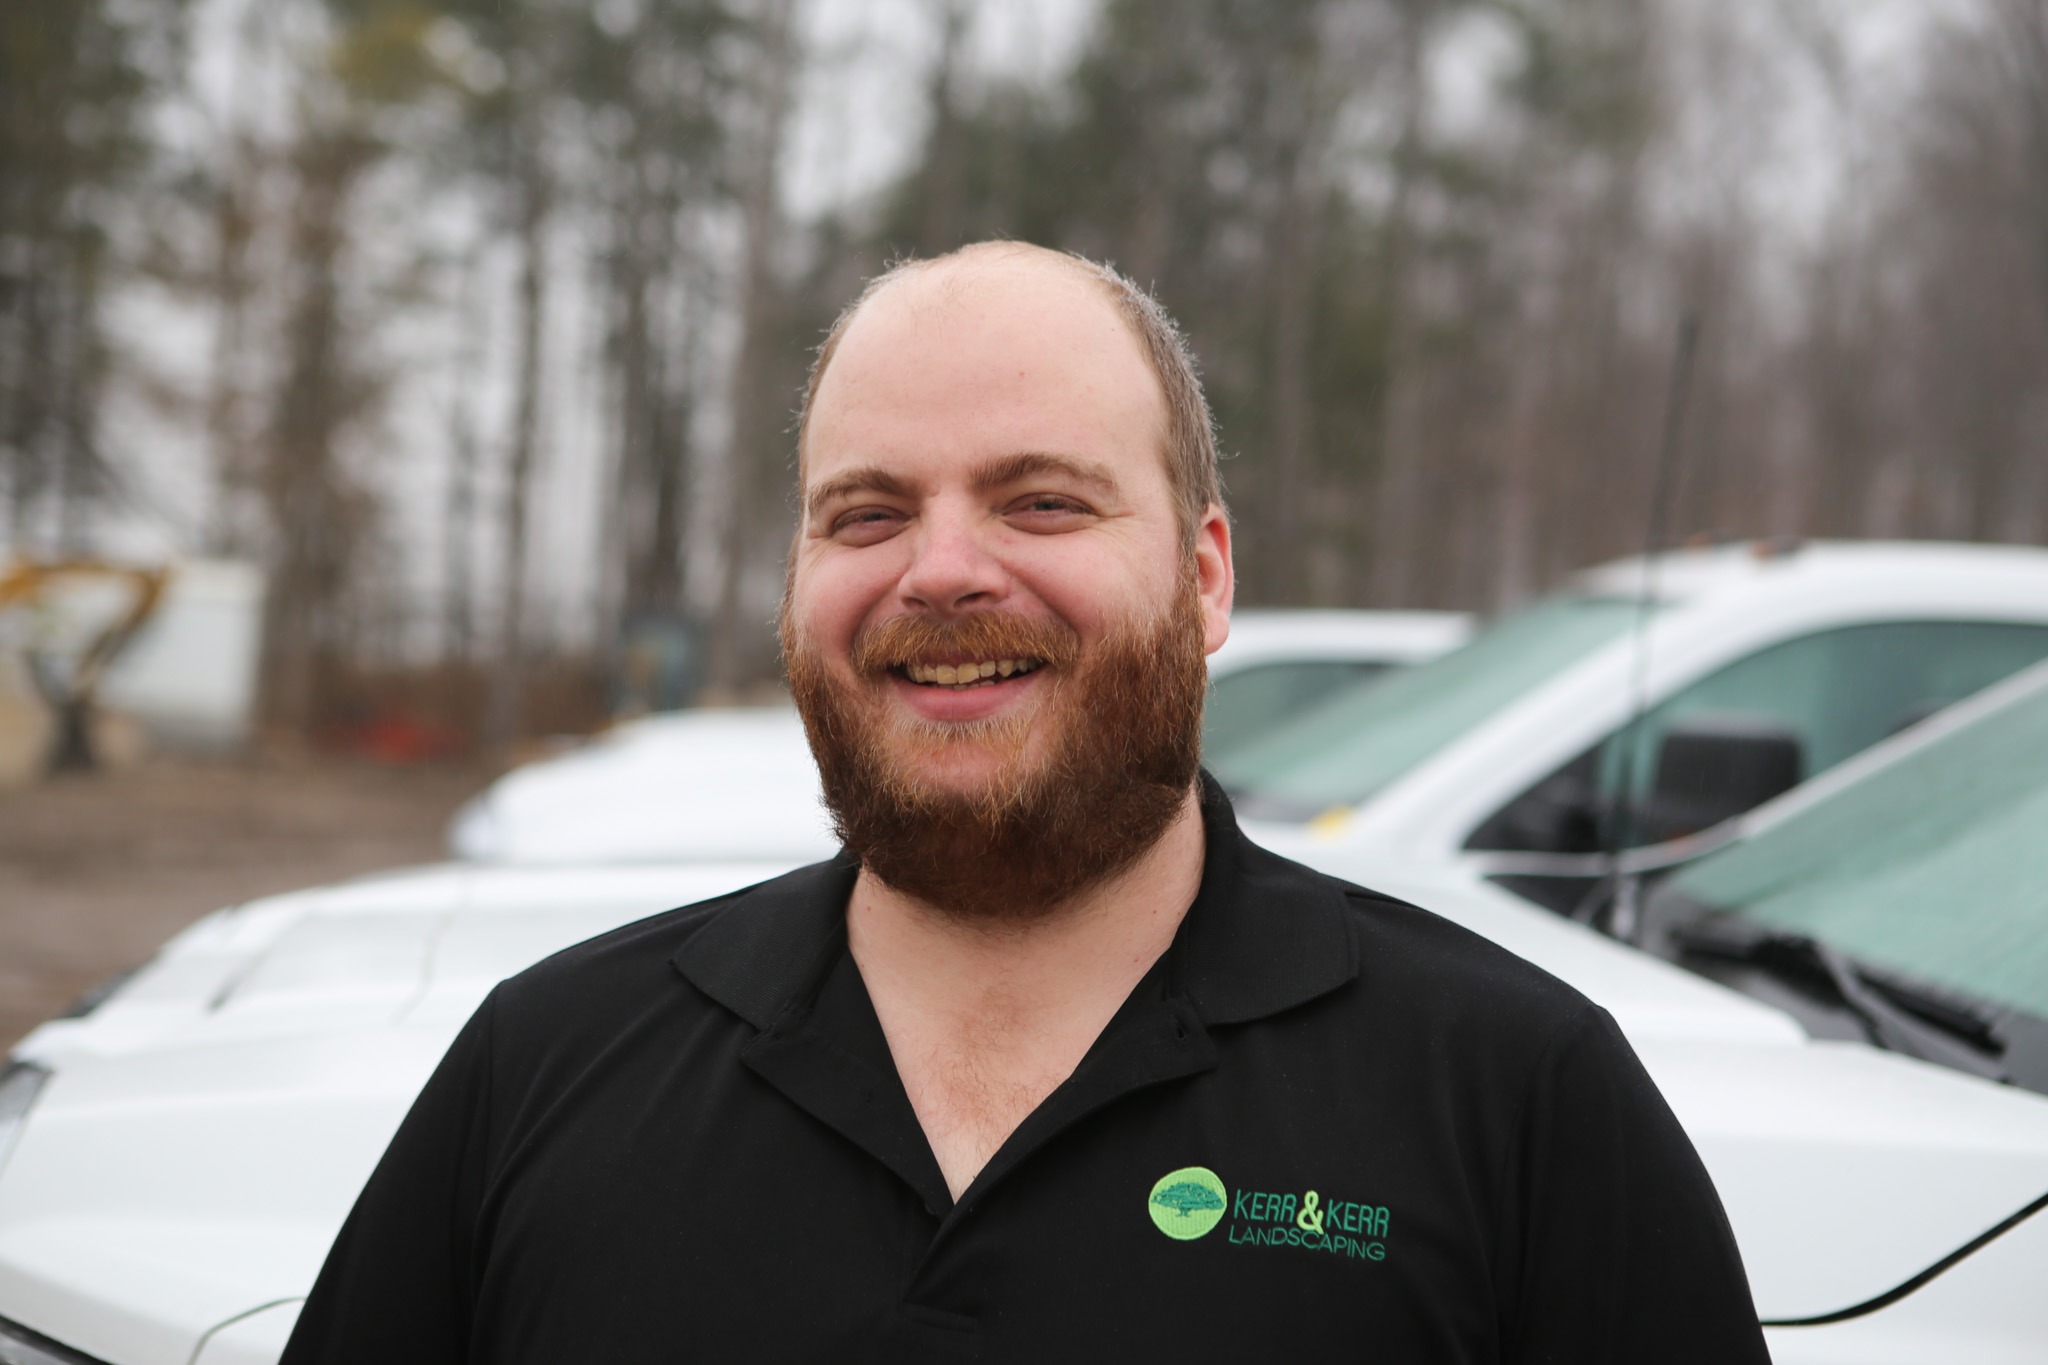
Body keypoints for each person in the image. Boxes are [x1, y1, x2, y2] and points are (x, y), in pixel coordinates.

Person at [281, 242, 1769, 1362]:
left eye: (1041, 500)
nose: (940, 570)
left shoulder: (1518, 1099)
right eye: (866, 513)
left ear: (1204, 574)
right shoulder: (540, 1072)